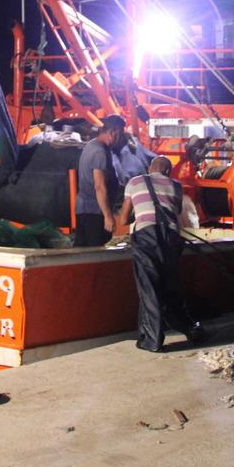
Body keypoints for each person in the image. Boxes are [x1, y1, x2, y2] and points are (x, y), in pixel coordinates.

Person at [118, 156, 206, 351]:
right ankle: (188, 327)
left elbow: (124, 219)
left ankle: (152, 340)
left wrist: (139, 212)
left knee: (149, 286)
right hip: (172, 238)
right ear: (167, 171)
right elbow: (176, 211)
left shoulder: (134, 182)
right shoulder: (176, 186)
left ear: (150, 168)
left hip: (146, 236)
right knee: (169, 285)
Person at [74, 115, 125, 247]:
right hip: (95, 213)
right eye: (121, 134)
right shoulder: (99, 152)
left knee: (83, 252)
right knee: (96, 253)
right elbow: (100, 186)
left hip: (84, 209)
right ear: (113, 133)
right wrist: (108, 216)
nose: (121, 140)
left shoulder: (91, 145)